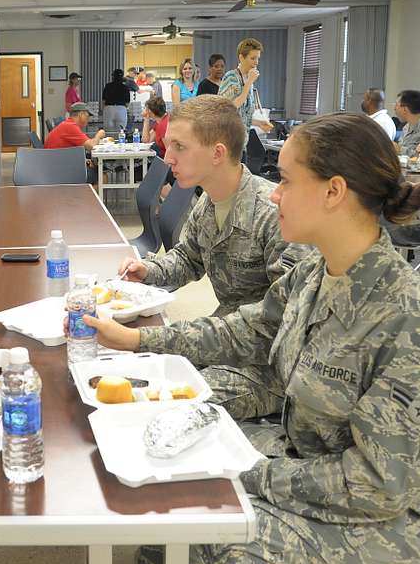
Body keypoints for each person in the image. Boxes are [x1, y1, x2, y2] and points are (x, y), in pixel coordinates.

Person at [88, 112, 420, 564]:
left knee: (199, 541)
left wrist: (249, 472)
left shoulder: (409, 322)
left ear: (334, 191)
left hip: (383, 524)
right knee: (167, 478)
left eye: (285, 180)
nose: (275, 193)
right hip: (307, 457)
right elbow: (244, 331)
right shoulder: (313, 274)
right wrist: (144, 341)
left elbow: (377, 486)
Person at [117, 94, 306, 419]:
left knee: (171, 405)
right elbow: (188, 259)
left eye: (179, 147)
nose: (168, 157)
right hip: (225, 339)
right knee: (140, 376)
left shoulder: (272, 214)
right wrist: (146, 270)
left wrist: (146, 338)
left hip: (270, 364)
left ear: (217, 153)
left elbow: (274, 327)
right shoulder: (208, 203)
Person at [219, 38, 274, 133]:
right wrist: (249, 83)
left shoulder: (248, 79)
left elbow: (242, 116)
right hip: (228, 136)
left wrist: (259, 123)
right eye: (253, 58)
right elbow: (230, 108)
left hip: (242, 138)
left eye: (258, 58)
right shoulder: (231, 77)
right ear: (241, 58)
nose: (256, 62)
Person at [101, 68, 131, 137]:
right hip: (121, 109)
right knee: (121, 131)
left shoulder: (108, 86)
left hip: (109, 108)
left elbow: (103, 101)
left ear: (113, 77)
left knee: (108, 132)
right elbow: (127, 103)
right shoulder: (125, 87)